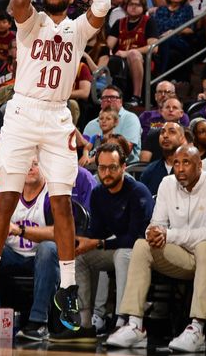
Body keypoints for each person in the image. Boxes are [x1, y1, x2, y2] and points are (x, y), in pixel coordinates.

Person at [0, 0, 110, 332]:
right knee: (7, 197)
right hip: (23, 110)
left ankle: (67, 289)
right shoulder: (29, 24)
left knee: (62, 201)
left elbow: (103, 1)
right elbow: (17, 0)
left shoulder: (79, 29)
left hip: (58, 116)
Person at [106, 144, 206, 352]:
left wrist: (168, 235)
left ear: (200, 165)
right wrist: (154, 232)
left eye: (187, 163)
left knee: (204, 246)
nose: (181, 168)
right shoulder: (167, 184)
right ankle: (134, 324)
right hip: (184, 254)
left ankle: (197, 328)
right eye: (176, 163)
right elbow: (157, 222)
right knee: (142, 245)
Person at [55, 143, 153, 341]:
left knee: (123, 255)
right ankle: (84, 324)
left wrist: (98, 243)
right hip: (115, 248)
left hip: (143, 252)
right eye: (102, 168)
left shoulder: (138, 191)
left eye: (112, 167)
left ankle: (122, 321)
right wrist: (80, 241)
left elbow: (136, 238)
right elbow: (97, 232)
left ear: (124, 167)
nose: (106, 173)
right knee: (80, 257)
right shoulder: (99, 193)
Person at [0, 158, 60, 341]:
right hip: (11, 255)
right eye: (26, 164)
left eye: (35, 164)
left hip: (40, 258)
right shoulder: (8, 194)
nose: (30, 168)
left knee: (48, 248)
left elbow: (59, 232)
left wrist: (20, 230)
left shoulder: (52, 195)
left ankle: (38, 321)